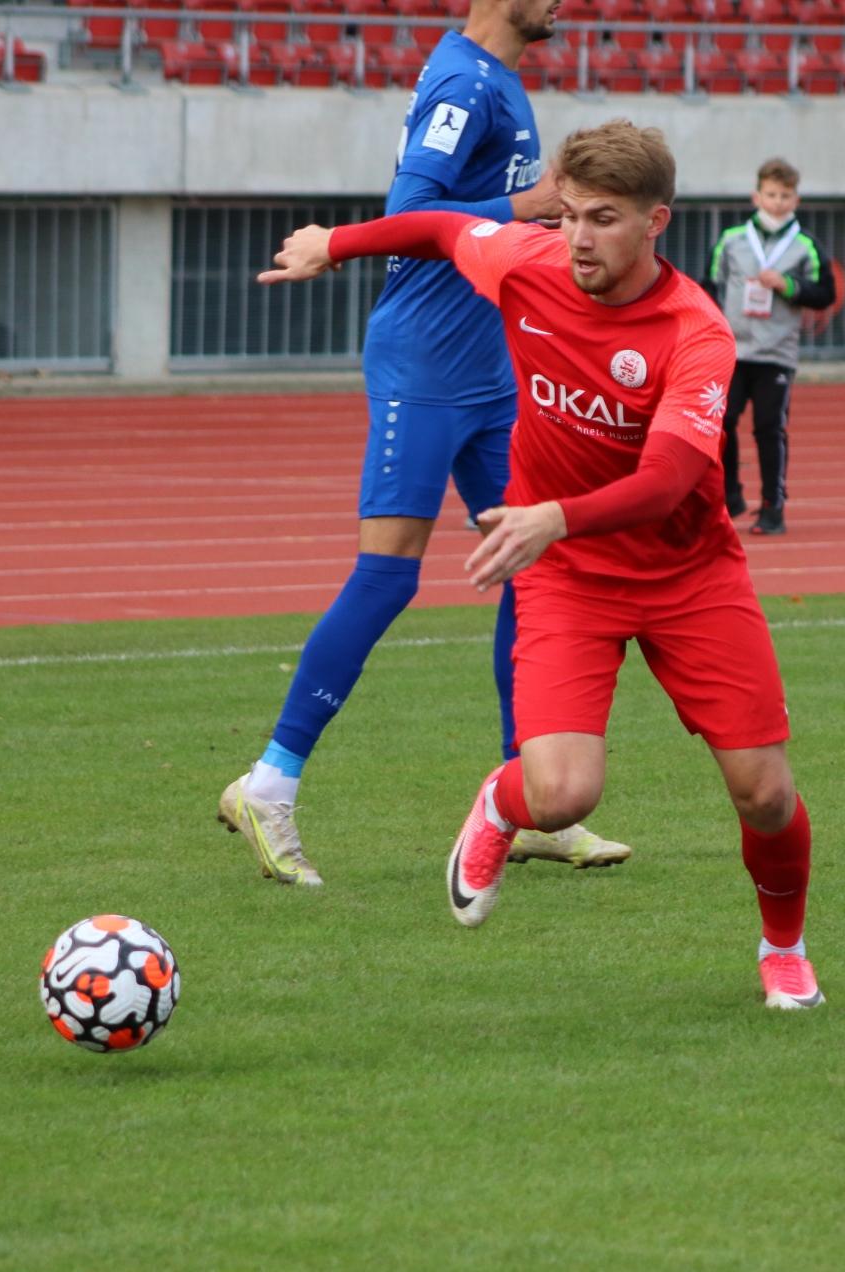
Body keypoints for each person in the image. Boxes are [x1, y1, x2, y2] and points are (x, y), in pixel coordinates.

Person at [259, 121, 825, 1011]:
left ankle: (783, 950)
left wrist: (552, 517)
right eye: (568, 215)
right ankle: (500, 804)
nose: (578, 238)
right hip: (570, 576)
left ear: (656, 222)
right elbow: (442, 226)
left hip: (689, 577)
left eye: (603, 219)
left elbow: (667, 481)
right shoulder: (528, 261)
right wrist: (337, 243)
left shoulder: (697, 333)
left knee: (764, 793)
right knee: (561, 795)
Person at [218, 0, 629, 888]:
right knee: (388, 575)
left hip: (489, 365)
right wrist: (529, 203)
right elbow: (413, 211)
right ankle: (268, 785)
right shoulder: (462, 82)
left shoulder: (499, 79)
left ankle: (534, 800)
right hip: (426, 363)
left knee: (537, 560)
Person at [704, 157, 836, 535]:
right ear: (756, 196)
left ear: (796, 200)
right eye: (771, 194)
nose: (777, 202)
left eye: (785, 196)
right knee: (720, 421)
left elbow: (825, 293)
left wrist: (788, 285)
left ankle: (772, 507)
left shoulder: (806, 246)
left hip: (776, 353)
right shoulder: (732, 240)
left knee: (769, 427)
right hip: (733, 350)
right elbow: (710, 286)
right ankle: (730, 493)